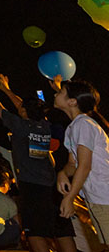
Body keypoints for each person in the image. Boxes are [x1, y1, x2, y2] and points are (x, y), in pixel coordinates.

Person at [0, 73, 77, 252]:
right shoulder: (46, 125)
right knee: (62, 230)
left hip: (32, 188)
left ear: (24, 111)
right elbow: (24, 106)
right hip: (52, 185)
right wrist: (7, 90)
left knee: (35, 233)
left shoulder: (21, 126)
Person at [53, 77, 109, 244]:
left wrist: (70, 197)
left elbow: (84, 166)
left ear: (72, 102)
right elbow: (73, 164)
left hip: (104, 195)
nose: (56, 93)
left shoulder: (83, 125)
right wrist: (63, 173)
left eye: (61, 92)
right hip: (96, 196)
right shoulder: (74, 127)